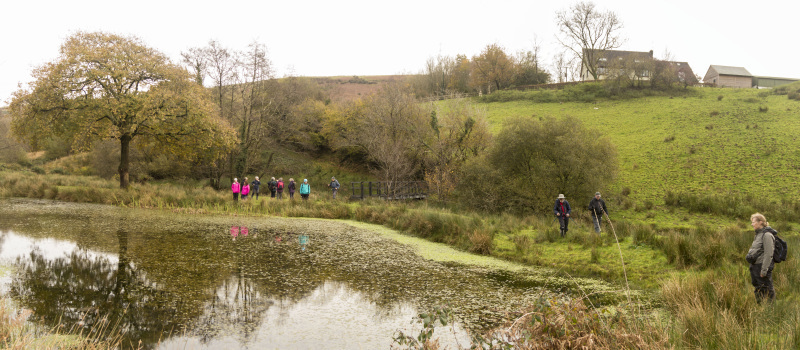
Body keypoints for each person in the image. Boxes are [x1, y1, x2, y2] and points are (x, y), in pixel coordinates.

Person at [746, 213, 776, 303]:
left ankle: (771, 310)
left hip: (762, 266)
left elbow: (769, 254)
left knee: (767, 289)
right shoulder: (758, 234)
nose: (752, 224)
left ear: (760, 222)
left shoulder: (767, 235)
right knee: (758, 288)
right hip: (755, 266)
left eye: (753, 222)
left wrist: (764, 270)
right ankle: (760, 308)